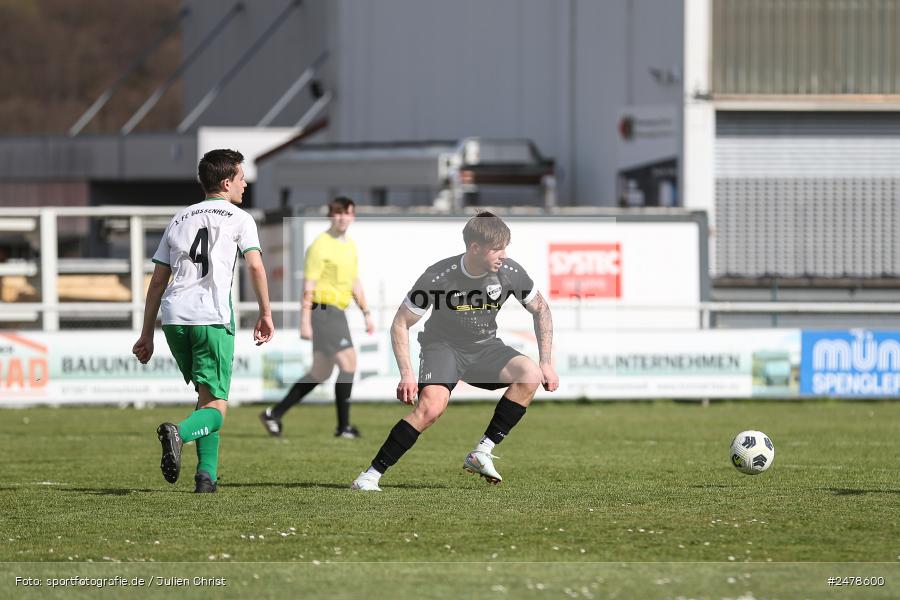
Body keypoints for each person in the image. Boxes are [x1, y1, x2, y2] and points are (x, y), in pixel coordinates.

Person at [351, 211, 559, 491]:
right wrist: (407, 374)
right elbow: (401, 322)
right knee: (431, 409)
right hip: (443, 348)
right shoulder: (439, 276)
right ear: (475, 248)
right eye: (497, 248)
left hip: (485, 348)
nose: (504, 255)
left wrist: (546, 361)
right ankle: (370, 475)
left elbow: (541, 309)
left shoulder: (510, 272)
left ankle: (482, 452)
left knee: (530, 373)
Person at [132, 149, 274, 493]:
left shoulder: (179, 219)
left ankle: (205, 477)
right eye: (241, 178)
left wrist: (147, 333)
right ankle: (178, 433)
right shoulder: (239, 218)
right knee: (217, 408)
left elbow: (156, 282)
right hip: (211, 317)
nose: (244, 184)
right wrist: (266, 313)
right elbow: (254, 266)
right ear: (226, 183)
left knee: (206, 396)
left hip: (175, 319)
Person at [259, 197, 375, 439]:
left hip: (337, 311)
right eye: (337, 213)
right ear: (330, 216)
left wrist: (366, 313)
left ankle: (274, 414)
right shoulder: (320, 245)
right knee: (349, 364)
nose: (342, 218)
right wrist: (304, 321)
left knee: (321, 372)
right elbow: (308, 285)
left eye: (347, 213)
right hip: (324, 311)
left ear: (353, 216)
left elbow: (355, 283)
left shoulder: (350, 245)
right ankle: (343, 427)